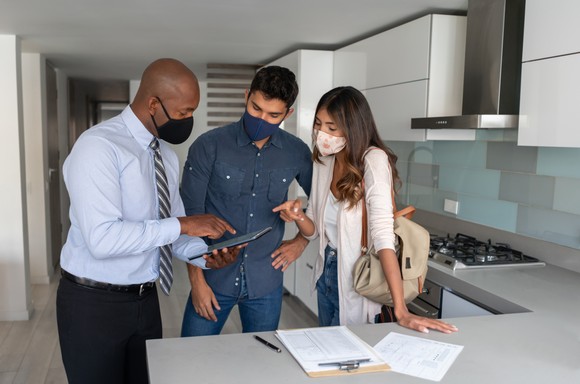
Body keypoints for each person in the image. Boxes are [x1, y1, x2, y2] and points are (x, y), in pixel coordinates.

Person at [56, 58, 242, 384]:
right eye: (183, 112)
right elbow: (103, 240)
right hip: (93, 304)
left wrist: (207, 255)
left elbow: (173, 228)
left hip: (145, 300)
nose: (189, 120)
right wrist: (184, 225)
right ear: (153, 103)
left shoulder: (166, 156)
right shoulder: (98, 147)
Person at [273, 86, 458, 334]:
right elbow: (314, 230)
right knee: (328, 352)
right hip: (326, 273)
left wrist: (401, 310)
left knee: (350, 355)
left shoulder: (373, 160)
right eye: (318, 124)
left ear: (352, 128)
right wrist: (298, 217)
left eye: (331, 127)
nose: (321, 134)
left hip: (359, 277)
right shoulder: (324, 161)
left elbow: (383, 237)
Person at [180, 65, 313, 336]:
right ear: (246, 96)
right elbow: (188, 217)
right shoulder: (208, 146)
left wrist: (301, 241)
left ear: (288, 113)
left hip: (266, 282)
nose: (262, 118)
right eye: (256, 108)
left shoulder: (297, 152)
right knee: (191, 362)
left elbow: (325, 206)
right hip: (212, 280)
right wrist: (197, 282)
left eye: (273, 114)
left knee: (261, 366)